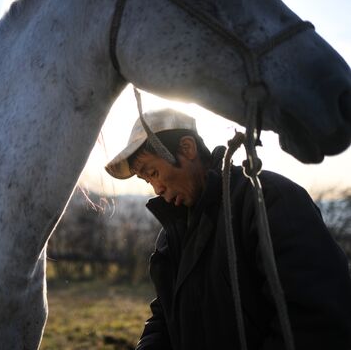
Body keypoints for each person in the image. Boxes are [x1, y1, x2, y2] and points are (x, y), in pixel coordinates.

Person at [105, 108, 351, 350]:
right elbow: (166, 314)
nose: (156, 189)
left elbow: (315, 319)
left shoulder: (267, 200)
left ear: (187, 149)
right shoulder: (174, 232)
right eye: (148, 180)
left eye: (154, 172)